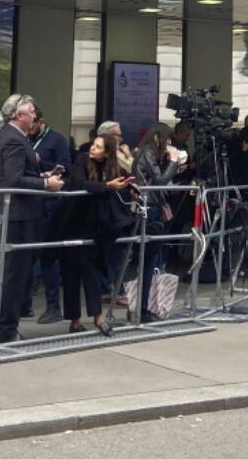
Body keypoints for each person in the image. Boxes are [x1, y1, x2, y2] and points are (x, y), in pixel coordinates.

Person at [0, 93, 63, 343]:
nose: (34, 116)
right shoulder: (14, 140)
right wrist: (46, 183)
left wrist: (43, 174)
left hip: (11, 212)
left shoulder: (8, 137)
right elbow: (14, 179)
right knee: (12, 274)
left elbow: (17, 173)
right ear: (19, 115)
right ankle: (5, 330)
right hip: (16, 214)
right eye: (30, 112)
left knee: (5, 272)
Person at [53, 133, 132, 335]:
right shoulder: (81, 159)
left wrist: (130, 186)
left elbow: (122, 176)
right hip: (71, 221)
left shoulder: (110, 167)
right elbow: (80, 183)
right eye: (93, 145)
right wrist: (106, 186)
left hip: (93, 224)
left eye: (98, 147)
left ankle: (97, 316)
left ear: (106, 153)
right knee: (71, 271)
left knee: (90, 269)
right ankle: (75, 320)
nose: (92, 148)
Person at [131, 122, 180, 323]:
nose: (169, 144)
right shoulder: (148, 153)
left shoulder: (149, 153)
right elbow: (160, 180)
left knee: (152, 261)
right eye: (168, 139)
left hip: (153, 208)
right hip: (149, 209)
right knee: (148, 260)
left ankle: (144, 306)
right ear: (159, 137)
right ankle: (141, 308)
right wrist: (174, 162)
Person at [30, 109, 72, 325]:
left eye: (32, 124)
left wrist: (44, 164)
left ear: (41, 122)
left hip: (49, 204)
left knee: (48, 256)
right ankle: (24, 304)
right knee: (27, 254)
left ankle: (53, 305)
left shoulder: (57, 140)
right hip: (30, 203)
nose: (29, 128)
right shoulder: (24, 139)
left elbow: (66, 167)